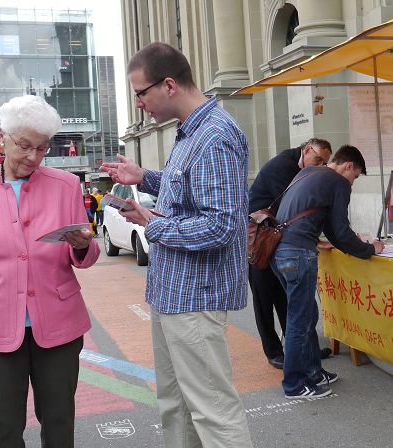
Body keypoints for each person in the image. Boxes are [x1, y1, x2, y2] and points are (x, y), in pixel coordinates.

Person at [101, 42, 252, 448]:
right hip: (173, 293)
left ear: (168, 85)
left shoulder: (216, 135)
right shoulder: (192, 133)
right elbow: (188, 188)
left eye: (140, 93)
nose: (138, 104)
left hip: (194, 297)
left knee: (212, 410)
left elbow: (220, 227)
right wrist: (144, 177)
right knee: (176, 405)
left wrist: (150, 225)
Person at [0, 95, 100, 448]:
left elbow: (87, 255)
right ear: (2, 137)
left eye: (42, 149)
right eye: (25, 146)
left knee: (60, 422)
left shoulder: (66, 185)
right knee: (3, 427)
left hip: (58, 325)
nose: (33, 157)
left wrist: (80, 244)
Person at [272, 145, 384, 399]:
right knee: (300, 320)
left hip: (278, 251)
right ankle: (294, 384)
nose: (352, 184)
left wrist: (328, 239)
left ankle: (313, 372)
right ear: (348, 166)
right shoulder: (338, 183)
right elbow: (340, 231)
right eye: (355, 176)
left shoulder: (308, 172)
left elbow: (327, 227)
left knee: (306, 315)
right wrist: (369, 248)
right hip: (298, 253)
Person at [248, 138, 333, 369]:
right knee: (264, 298)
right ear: (306, 150)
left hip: (277, 238)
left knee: (286, 297)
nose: (320, 167)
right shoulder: (282, 167)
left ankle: (300, 349)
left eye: (325, 163)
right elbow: (294, 208)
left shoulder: (305, 169)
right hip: (258, 239)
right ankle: (274, 352)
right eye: (317, 160)